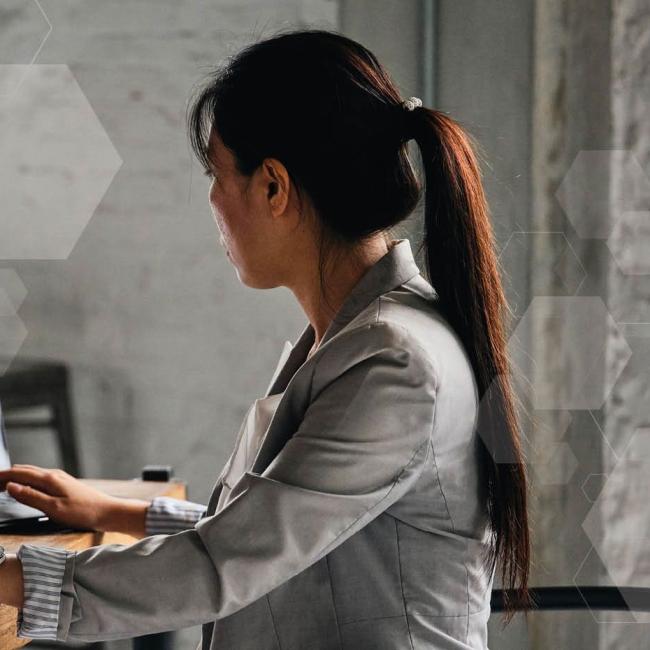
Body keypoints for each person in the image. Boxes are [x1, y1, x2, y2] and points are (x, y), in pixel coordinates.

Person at [0, 28, 529, 649]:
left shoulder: (395, 363)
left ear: (274, 187)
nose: (213, 200)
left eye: (218, 174)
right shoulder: (367, 334)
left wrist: (10, 579)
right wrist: (117, 513)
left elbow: (222, 565)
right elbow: (284, 533)